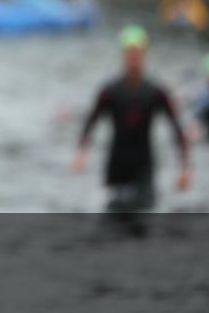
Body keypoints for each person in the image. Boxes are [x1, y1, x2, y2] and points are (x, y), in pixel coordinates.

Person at [73, 25, 190, 212]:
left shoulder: (155, 91)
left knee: (145, 219)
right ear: (123, 55)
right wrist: (80, 153)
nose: (133, 57)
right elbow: (91, 121)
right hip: (116, 165)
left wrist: (184, 168)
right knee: (112, 221)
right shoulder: (110, 91)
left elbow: (176, 128)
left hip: (144, 166)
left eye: (137, 52)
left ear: (144, 54)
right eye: (129, 52)